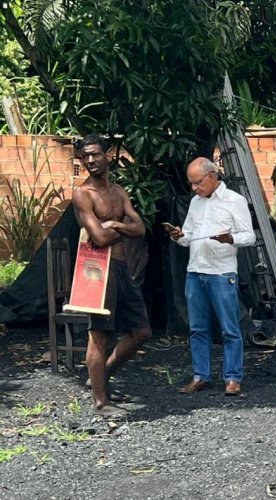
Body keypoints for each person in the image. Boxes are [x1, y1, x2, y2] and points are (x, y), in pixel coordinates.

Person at [71, 134, 152, 417]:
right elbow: (99, 236)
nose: (90, 160)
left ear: (108, 154)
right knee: (100, 336)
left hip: (121, 268)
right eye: (85, 157)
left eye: (95, 154)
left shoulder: (119, 192)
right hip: (96, 270)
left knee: (141, 332)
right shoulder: (83, 194)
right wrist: (120, 228)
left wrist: (114, 223)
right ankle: (101, 401)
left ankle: (100, 378)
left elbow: (140, 229)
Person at [165, 157, 255, 396]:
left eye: (197, 182)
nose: (194, 188)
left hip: (222, 272)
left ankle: (233, 378)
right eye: (191, 183)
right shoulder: (195, 203)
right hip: (195, 271)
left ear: (213, 176)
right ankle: (200, 375)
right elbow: (188, 238)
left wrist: (231, 239)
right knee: (197, 328)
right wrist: (177, 235)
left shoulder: (234, 201)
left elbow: (250, 236)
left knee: (229, 328)